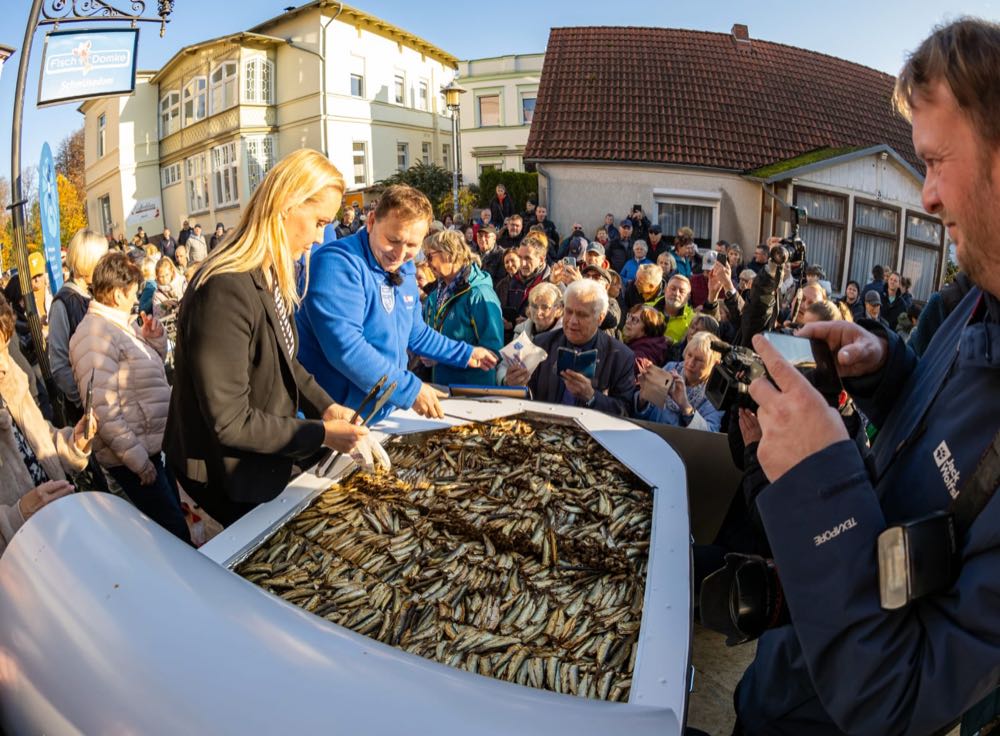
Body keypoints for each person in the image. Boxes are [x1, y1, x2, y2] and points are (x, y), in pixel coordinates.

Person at [729, 19, 1000, 735]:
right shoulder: (969, 299)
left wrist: (817, 480)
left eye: (937, 162)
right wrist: (882, 370)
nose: (929, 197)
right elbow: (941, 421)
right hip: (794, 672)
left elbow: (903, 698)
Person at [165, 149, 371, 527]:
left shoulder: (271, 272)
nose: (320, 236)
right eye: (319, 221)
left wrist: (325, 407)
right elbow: (229, 421)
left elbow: (284, 358)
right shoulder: (225, 288)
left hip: (255, 467)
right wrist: (322, 434)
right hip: (221, 485)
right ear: (286, 204)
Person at [296, 184, 497, 424]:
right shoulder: (337, 264)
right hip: (332, 418)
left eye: (412, 246)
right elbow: (346, 348)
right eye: (393, 240)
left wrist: (466, 353)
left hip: (377, 411)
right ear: (371, 222)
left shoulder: (404, 268)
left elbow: (414, 331)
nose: (400, 255)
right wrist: (409, 389)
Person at [68, 253, 190, 543]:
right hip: (133, 459)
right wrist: (139, 463)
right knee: (173, 536)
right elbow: (104, 410)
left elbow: (146, 376)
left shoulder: (118, 325)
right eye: (132, 292)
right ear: (115, 293)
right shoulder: (95, 334)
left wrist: (154, 339)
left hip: (147, 449)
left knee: (174, 529)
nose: (137, 298)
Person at [0, 293, 96, 555]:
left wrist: (73, 442)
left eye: (4, 348)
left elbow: (42, 439)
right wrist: (17, 516)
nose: (2, 363)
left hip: (60, 533)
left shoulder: (10, 376)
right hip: (20, 567)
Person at [503, 279, 636, 416]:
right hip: (545, 431)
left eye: (582, 315)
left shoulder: (621, 356)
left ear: (600, 318)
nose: (572, 321)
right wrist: (515, 386)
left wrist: (591, 397)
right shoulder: (542, 343)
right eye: (569, 312)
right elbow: (527, 399)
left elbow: (625, 411)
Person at [421, 230, 503, 387]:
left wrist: (441, 356)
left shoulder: (480, 295)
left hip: (471, 394)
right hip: (440, 388)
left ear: (449, 255)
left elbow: (493, 352)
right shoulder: (435, 294)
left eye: (430, 256)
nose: (426, 263)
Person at [48, 230, 108, 418]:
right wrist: (85, 401)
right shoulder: (62, 304)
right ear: (87, 262)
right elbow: (59, 367)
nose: (104, 266)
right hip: (86, 413)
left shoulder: (95, 294)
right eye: (101, 260)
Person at [634, 331, 724, 432]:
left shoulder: (715, 393)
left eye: (699, 360)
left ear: (714, 364)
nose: (690, 363)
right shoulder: (671, 368)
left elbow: (710, 436)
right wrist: (643, 398)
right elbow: (644, 413)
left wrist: (685, 406)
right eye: (689, 355)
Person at [494, 233, 552, 342]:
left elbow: (558, 324)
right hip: (511, 345)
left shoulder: (552, 284)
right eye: (520, 257)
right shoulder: (509, 282)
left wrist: (531, 323)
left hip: (539, 346)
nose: (523, 263)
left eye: (528, 258)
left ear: (541, 259)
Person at [621, 304, 669, 377]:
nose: (628, 321)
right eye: (629, 316)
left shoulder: (649, 350)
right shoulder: (636, 341)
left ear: (647, 329)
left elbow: (634, 364)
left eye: (635, 320)